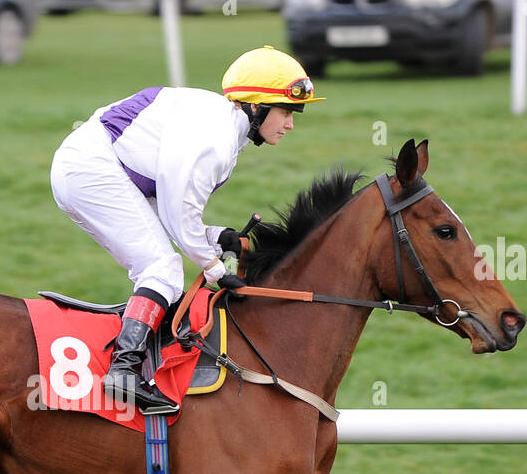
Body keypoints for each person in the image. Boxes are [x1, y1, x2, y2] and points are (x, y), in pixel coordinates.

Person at [50, 46, 325, 416]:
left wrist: (215, 237)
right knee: (162, 269)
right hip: (94, 170)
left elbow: (172, 212)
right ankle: (123, 370)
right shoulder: (215, 138)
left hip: (99, 169)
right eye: (286, 112)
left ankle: (137, 363)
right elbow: (178, 214)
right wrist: (216, 270)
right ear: (255, 106)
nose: (290, 124)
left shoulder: (223, 125)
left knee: (164, 266)